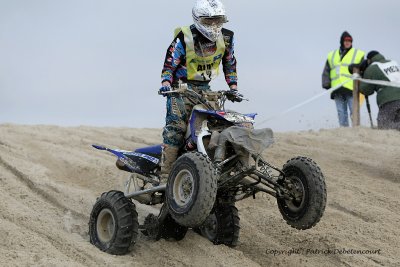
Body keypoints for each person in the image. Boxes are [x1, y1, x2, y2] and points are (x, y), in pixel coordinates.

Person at [158, 0, 239, 177]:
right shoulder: (185, 37)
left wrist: (233, 87)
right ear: (198, 19)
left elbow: (229, 62)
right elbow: (170, 62)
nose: (213, 25)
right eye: (209, 21)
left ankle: (216, 171)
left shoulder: (226, 37)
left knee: (217, 126)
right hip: (180, 89)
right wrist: (165, 83)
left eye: (217, 20)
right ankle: (165, 175)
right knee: (176, 128)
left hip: (206, 90)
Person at [322, 31, 365, 127]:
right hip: (337, 88)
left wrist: (363, 85)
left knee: (354, 111)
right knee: (341, 112)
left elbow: (364, 69)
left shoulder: (358, 54)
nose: (347, 42)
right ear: (342, 41)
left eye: (349, 40)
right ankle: (344, 130)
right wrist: (326, 83)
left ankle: (356, 129)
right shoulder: (332, 55)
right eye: (345, 40)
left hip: (352, 88)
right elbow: (326, 70)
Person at [359, 51, 400, 130]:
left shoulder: (372, 68)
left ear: (369, 60)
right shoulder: (393, 63)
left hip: (389, 100)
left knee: (384, 125)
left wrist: (362, 77)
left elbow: (366, 90)